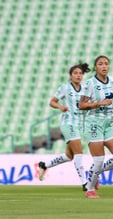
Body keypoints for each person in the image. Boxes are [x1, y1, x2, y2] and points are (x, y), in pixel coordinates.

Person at [79, 55, 113, 199]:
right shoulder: (89, 84)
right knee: (98, 160)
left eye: (106, 64)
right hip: (94, 123)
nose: (104, 66)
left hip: (110, 123)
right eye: (101, 64)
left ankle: (95, 173)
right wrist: (98, 103)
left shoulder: (112, 81)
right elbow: (81, 105)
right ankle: (90, 190)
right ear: (95, 67)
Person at [38, 62, 90, 191]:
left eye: (80, 73)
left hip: (78, 124)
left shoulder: (84, 89)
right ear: (70, 75)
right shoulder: (65, 88)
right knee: (79, 152)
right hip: (68, 123)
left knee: (69, 156)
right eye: (75, 73)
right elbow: (52, 102)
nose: (78, 75)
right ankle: (85, 183)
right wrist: (60, 106)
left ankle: (44, 165)